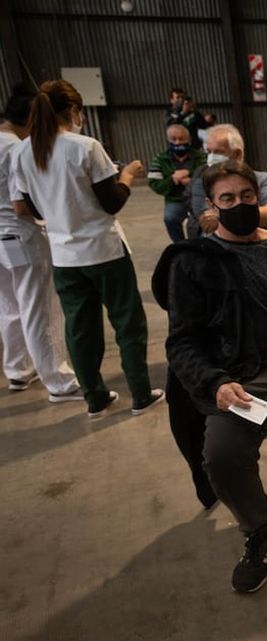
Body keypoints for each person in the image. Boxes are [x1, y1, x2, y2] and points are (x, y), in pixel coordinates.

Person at [151, 159, 267, 593]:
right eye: (227, 199)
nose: (239, 205)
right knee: (221, 454)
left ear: (260, 197)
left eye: (247, 196)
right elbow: (181, 341)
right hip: (243, 378)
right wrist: (214, 383)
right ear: (210, 207)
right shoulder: (195, 262)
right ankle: (261, 528)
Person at [13, 80, 162, 418]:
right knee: (127, 323)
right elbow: (112, 203)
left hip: (64, 256)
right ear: (74, 111)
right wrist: (126, 175)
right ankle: (140, 393)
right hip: (104, 250)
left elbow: (31, 209)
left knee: (80, 328)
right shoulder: (85, 147)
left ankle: (95, 398)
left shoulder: (24, 152)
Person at [0, 84, 81, 401]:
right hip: (20, 234)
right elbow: (22, 203)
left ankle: (18, 370)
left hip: (3, 239)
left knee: (9, 307)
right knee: (38, 310)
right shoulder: (15, 149)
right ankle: (58, 381)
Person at [188, 124, 267, 237]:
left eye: (218, 152)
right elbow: (209, 224)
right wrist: (266, 217)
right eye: (209, 152)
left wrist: (222, 216)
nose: (211, 157)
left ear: (237, 154)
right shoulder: (202, 183)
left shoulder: (265, 180)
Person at [148, 124, 206, 242]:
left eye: (181, 138)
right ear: (168, 140)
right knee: (170, 218)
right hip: (175, 200)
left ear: (189, 140)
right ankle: (180, 245)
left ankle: (199, 244)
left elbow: (208, 176)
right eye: (173, 139)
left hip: (198, 198)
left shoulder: (200, 157)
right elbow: (154, 184)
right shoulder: (160, 159)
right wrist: (172, 179)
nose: (178, 142)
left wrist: (190, 178)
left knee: (200, 221)